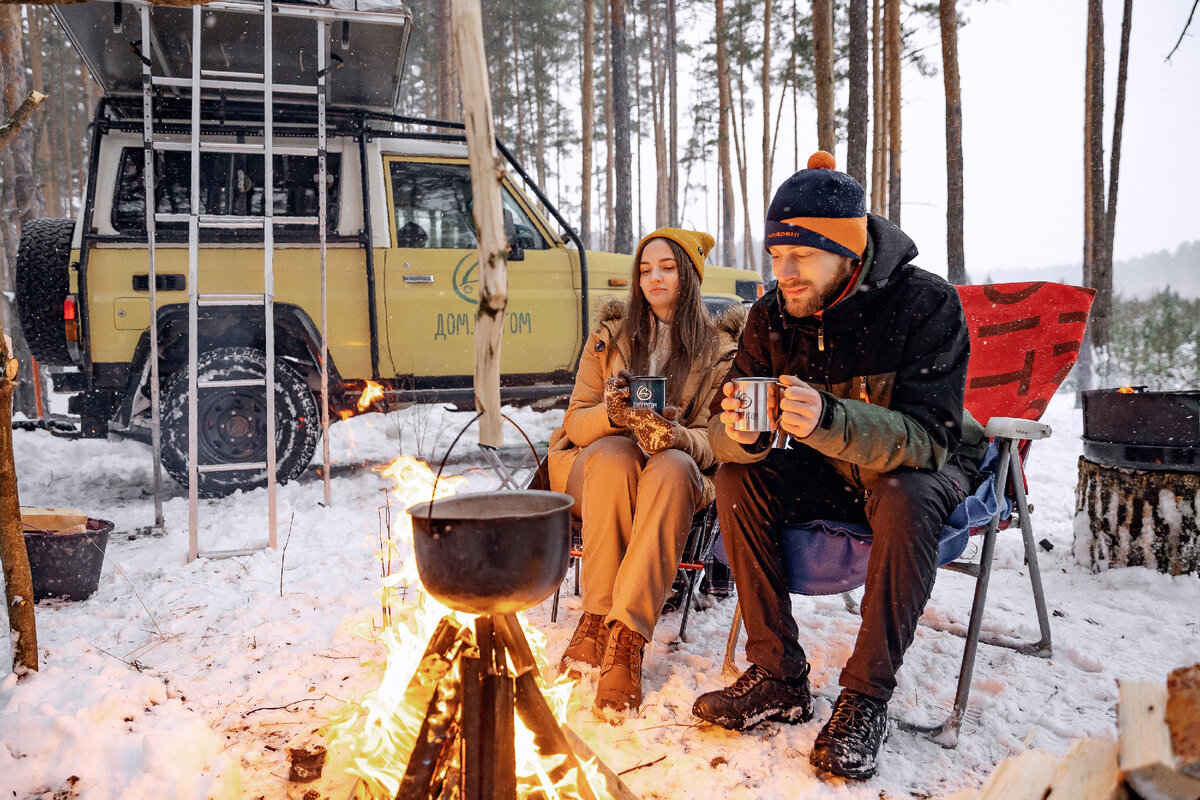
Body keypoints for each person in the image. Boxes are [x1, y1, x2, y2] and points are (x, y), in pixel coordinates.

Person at [691, 152, 987, 780]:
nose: (785, 272)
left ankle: (866, 696)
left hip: (916, 464)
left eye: (802, 254)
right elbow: (727, 427)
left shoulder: (926, 303)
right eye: (775, 255)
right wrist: (740, 434)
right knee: (737, 478)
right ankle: (777, 674)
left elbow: (930, 437)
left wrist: (830, 419)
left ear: (847, 252)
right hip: (824, 469)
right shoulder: (771, 315)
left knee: (906, 493)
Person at [547, 227, 744, 715]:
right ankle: (595, 616)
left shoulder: (720, 351)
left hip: (671, 470)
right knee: (615, 457)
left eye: (667, 267)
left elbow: (717, 439)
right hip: (591, 462)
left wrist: (674, 436)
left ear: (690, 276)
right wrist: (614, 415)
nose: (653, 278)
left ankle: (626, 641)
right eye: (644, 269)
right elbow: (575, 418)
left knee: (673, 468)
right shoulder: (609, 337)